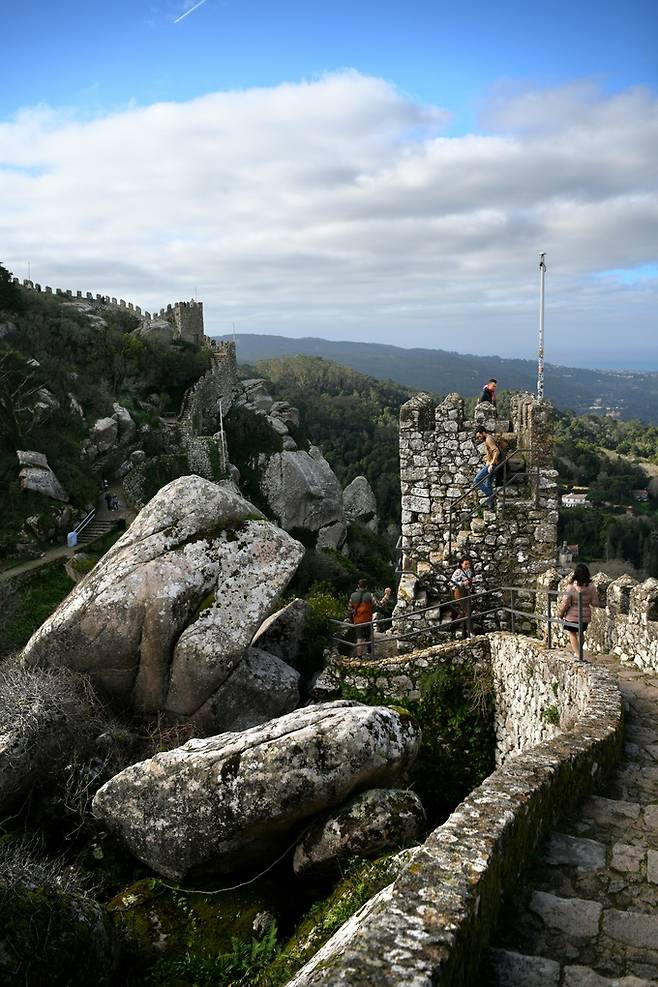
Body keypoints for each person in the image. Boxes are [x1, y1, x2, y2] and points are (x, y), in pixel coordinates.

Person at [558, 563, 599, 658]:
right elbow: (595, 602)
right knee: (581, 633)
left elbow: (565, 602)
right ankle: (579, 651)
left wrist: (561, 613)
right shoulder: (592, 587)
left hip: (572, 614)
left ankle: (577, 653)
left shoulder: (571, 586)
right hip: (585, 615)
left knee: (572, 633)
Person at [349, 579, 392, 656]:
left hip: (357, 621)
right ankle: (370, 654)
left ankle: (359, 657)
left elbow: (349, 610)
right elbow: (380, 605)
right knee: (369, 637)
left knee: (359, 639)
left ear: (358, 586)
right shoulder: (370, 595)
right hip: (367, 620)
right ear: (366, 586)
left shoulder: (352, 596)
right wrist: (387, 595)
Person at [474, 426, 501, 510]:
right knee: (488, 484)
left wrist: (491, 464)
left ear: (483, 432)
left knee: (476, 481)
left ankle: (492, 495)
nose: (479, 438)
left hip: (492, 465)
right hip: (490, 464)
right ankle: (491, 506)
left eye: (479, 436)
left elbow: (496, 451)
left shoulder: (488, 439)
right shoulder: (489, 438)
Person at [450, 556, 474, 637]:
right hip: (459, 591)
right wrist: (463, 583)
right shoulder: (458, 572)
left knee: (465, 611)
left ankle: (457, 626)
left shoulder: (469, 572)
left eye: (468, 564)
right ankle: (470, 632)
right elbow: (452, 583)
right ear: (461, 564)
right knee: (467, 611)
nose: (468, 566)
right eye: (466, 564)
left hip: (466, 592)